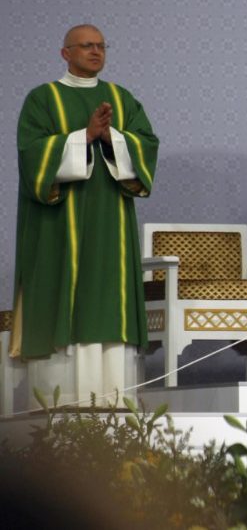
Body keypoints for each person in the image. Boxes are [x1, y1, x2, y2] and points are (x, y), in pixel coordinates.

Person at [14, 24, 158, 407]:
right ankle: (61, 406)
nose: (96, 52)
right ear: (65, 53)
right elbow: (32, 155)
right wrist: (84, 137)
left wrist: (112, 137)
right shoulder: (43, 99)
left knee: (110, 300)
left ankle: (116, 403)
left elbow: (146, 145)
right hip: (59, 227)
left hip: (111, 222)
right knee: (65, 295)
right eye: (86, 46)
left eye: (101, 46)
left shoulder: (120, 98)